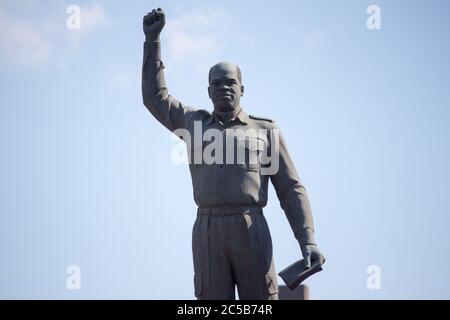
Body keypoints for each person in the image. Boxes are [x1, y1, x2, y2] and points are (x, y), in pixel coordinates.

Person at [142, 8, 325, 300]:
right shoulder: (193, 123)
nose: (224, 88)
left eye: (230, 83)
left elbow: (291, 189)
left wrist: (308, 239)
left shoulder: (265, 130)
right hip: (207, 230)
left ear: (243, 88)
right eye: (217, 84)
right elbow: (155, 98)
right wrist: (153, 41)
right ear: (208, 91)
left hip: (250, 226)